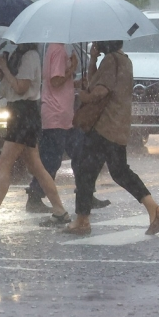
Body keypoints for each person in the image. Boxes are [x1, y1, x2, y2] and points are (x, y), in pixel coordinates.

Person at [65, 41, 159, 236]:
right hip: (118, 126)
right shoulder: (124, 60)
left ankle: (82, 220)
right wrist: (92, 59)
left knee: (85, 171)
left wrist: (83, 96)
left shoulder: (110, 60)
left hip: (103, 127)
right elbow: (97, 81)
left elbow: (99, 90)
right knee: (120, 172)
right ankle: (153, 208)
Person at [0, 43, 70, 228]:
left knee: (3, 163)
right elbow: (10, 84)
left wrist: (4, 67)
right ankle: (60, 211)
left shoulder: (30, 56)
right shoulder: (18, 53)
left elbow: (21, 87)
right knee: (36, 166)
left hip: (24, 113)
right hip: (17, 111)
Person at [24, 43, 107, 212]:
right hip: (56, 115)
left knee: (81, 154)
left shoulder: (57, 50)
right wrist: (72, 69)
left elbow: (58, 82)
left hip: (66, 116)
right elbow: (55, 81)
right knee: (51, 159)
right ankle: (34, 196)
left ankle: (86, 194)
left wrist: (75, 82)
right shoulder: (58, 50)